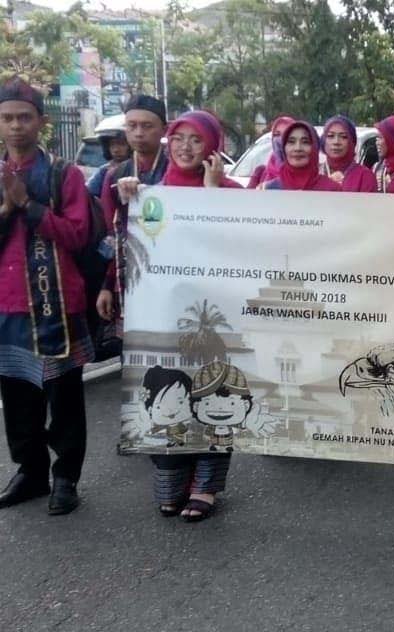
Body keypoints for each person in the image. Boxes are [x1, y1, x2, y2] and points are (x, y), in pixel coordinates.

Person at [119, 110, 241, 522]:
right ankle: (173, 483)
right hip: (162, 317)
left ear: (213, 147)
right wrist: (127, 195)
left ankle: (205, 487)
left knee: (211, 395)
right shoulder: (151, 195)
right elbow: (133, 246)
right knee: (164, 391)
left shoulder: (234, 192)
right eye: (179, 138)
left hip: (213, 318)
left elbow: (233, 249)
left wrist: (212, 192)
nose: (186, 147)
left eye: (196, 139)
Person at [0, 77, 92, 515]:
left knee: (65, 398)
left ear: (42, 122)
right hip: (8, 307)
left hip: (58, 305)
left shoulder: (63, 174)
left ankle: (65, 478)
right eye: (7, 118)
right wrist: (6, 209)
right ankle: (30, 472)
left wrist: (30, 207)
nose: (15, 126)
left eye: (24, 117)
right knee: (17, 396)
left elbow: (77, 235)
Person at [96, 95, 169, 331]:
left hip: (172, 272)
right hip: (129, 277)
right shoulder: (114, 177)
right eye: (132, 126)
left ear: (163, 129)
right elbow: (111, 236)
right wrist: (107, 285)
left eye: (147, 126)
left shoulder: (177, 170)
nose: (138, 133)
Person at [260, 121, 339, 191]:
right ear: (284, 147)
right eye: (291, 142)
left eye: (305, 142)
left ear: (315, 147)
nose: (297, 148)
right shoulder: (269, 189)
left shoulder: (332, 189)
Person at [319, 115, 376, 192]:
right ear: (323, 141)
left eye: (344, 137)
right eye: (330, 136)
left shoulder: (365, 176)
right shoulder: (314, 173)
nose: (336, 142)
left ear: (352, 142)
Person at [248, 115, 295, 189]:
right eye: (277, 135)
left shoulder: (304, 175)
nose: (280, 139)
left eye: (286, 135)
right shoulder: (262, 172)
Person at [86, 130, 130, 199]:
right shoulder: (104, 170)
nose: (116, 150)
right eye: (112, 144)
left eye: (121, 144)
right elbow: (88, 193)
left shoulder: (136, 168)